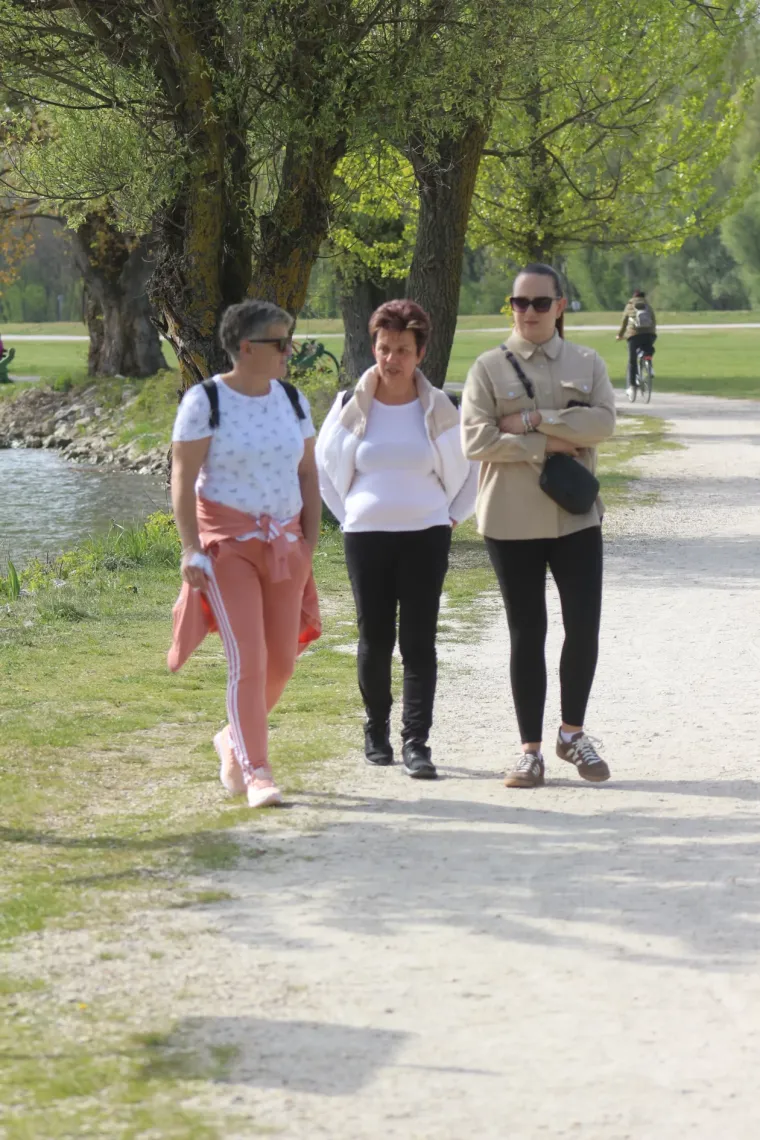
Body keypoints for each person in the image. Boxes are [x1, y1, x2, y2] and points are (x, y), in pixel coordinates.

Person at [461, 263, 616, 789]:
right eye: (518, 303)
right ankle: (530, 751)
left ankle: (572, 734)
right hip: (510, 519)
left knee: (584, 627)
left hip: (575, 517)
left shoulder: (587, 361)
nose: (527, 313)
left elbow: (603, 424)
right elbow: (476, 441)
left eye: (539, 303)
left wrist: (527, 420)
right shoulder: (487, 368)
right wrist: (549, 440)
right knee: (527, 633)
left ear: (560, 306)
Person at [167, 299, 322, 809]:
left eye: (289, 341)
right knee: (249, 659)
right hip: (226, 547)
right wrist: (192, 549)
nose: (289, 351)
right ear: (246, 346)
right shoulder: (205, 400)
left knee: (282, 661)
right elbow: (184, 478)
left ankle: (231, 739)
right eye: (281, 342)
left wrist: (308, 544)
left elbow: (306, 473)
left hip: (284, 545)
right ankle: (257, 771)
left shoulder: (293, 400)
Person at [316, 299, 477, 780]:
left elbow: (472, 470)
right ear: (374, 347)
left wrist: (451, 517)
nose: (392, 359)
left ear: (420, 352)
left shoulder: (441, 407)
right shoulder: (348, 405)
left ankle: (416, 741)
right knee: (375, 637)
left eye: (402, 350)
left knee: (419, 640)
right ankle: (376, 730)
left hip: (426, 535)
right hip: (366, 536)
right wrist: (349, 518)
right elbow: (324, 471)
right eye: (384, 348)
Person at [617, 289, 657, 395]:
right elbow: (654, 320)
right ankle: (649, 365)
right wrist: (651, 333)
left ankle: (632, 386)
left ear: (634, 297)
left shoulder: (630, 305)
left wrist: (620, 335)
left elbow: (624, 322)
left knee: (632, 360)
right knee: (648, 349)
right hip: (650, 334)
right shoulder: (648, 306)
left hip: (634, 335)